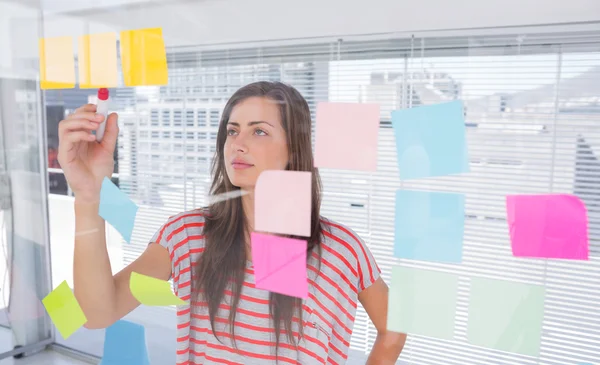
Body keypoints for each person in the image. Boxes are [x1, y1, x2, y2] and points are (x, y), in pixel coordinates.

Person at [58, 81, 406, 364]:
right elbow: (97, 313)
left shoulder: (340, 249)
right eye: (232, 131)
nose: (237, 145)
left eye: (259, 132)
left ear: (295, 149)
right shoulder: (188, 235)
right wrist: (89, 196)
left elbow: (394, 328)